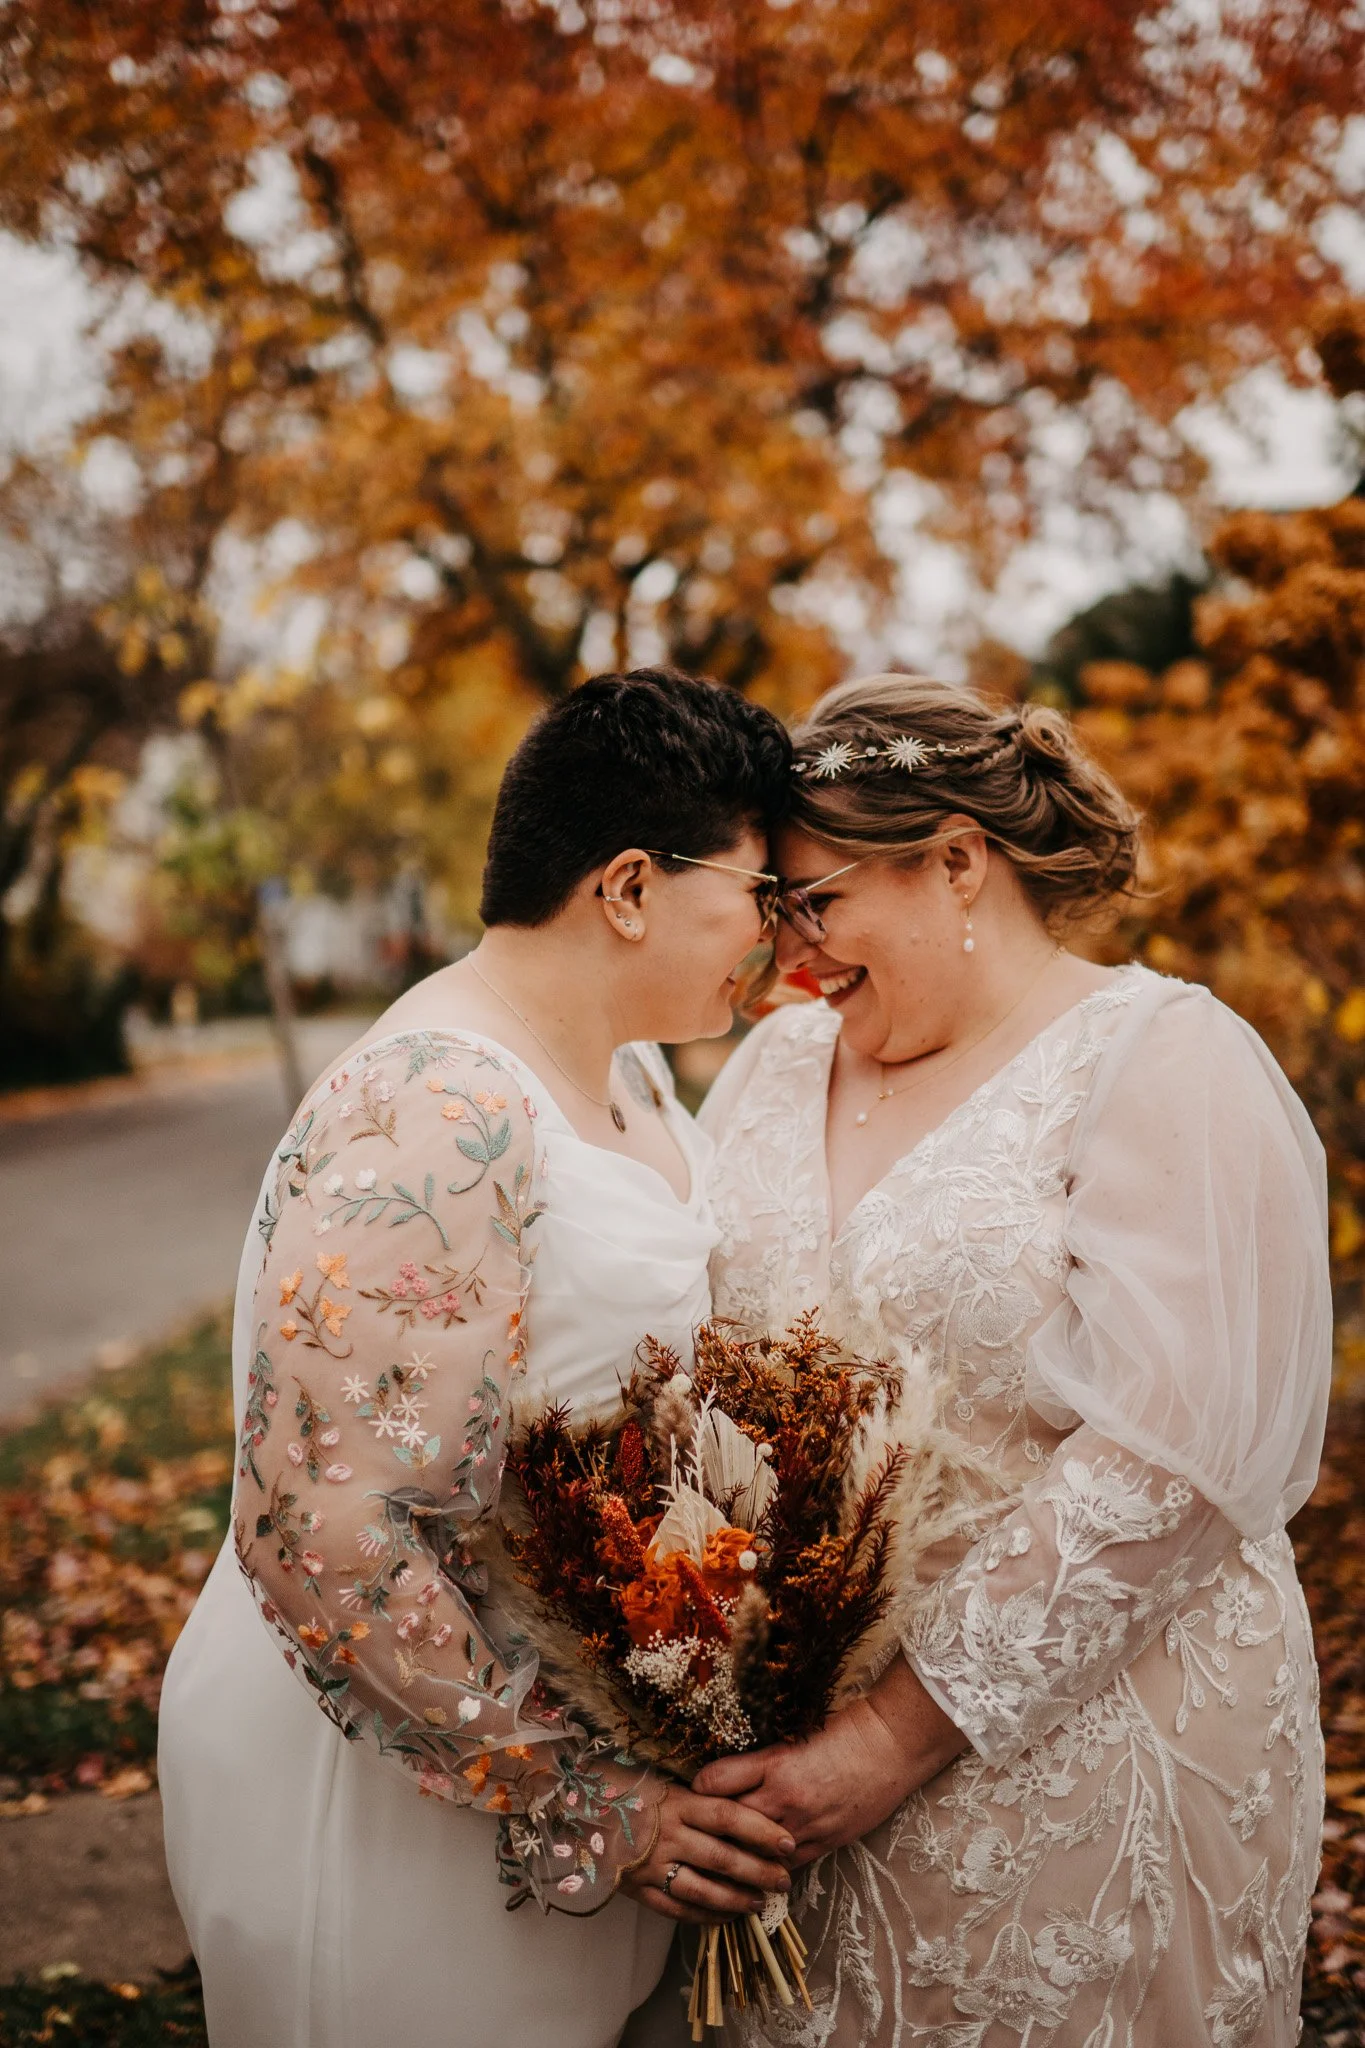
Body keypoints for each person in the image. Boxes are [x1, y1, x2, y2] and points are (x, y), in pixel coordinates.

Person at [158, 668, 800, 2048]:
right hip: (404, 1787)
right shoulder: (435, 1107)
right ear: (629, 886)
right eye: (760, 889)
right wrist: (584, 1798)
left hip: (570, 1732)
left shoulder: (630, 1076)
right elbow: (322, 1528)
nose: (777, 930)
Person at [694, 673, 1331, 2046]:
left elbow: (1178, 1452)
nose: (794, 955)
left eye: (820, 900)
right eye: (776, 911)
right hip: (788, 1776)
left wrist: (888, 1740)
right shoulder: (768, 1072)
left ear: (958, 861)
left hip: (1086, 1763)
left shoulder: (1163, 1063)